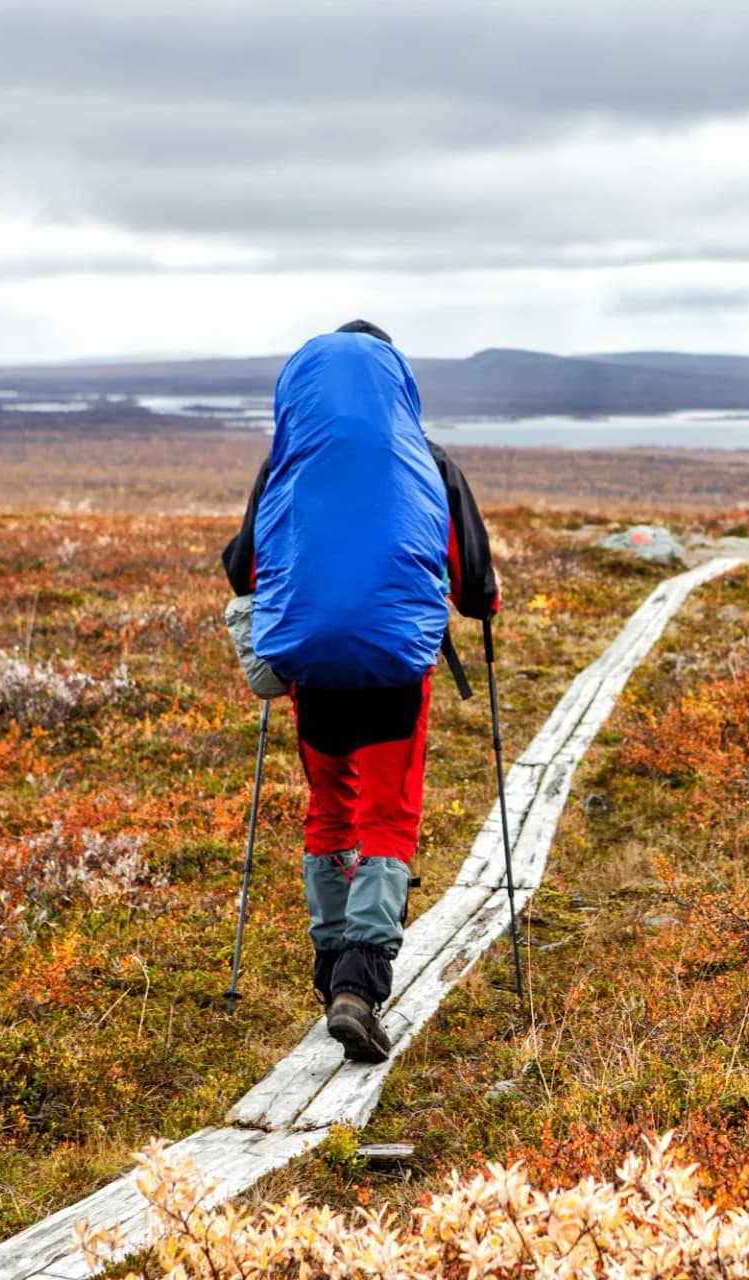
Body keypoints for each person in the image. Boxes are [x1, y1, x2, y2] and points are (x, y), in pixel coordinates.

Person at [221, 319, 498, 1063]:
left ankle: (329, 969)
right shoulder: (426, 460)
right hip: (395, 671)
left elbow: (242, 566)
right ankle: (361, 981)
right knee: (388, 814)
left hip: (312, 667)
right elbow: (474, 580)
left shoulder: (288, 461)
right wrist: (483, 607)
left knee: (330, 809)